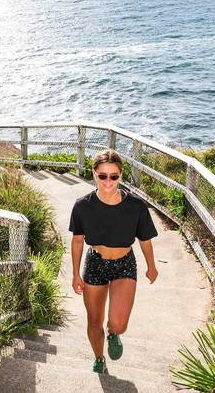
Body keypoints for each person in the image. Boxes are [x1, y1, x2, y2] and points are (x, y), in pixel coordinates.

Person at [69, 149, 159, 374]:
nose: (108, 181)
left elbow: (145, 240)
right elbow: (78, 241)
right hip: (95, 264)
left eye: (113, 176)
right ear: (94, 174)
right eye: (102, 176)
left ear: (120, 176)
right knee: (94, 321)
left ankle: (114, 333)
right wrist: (75, 273)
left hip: (124, 264)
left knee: (119, 323)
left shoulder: (136, 206)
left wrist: (152, 267)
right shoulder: (82, 206)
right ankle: (99, 358)